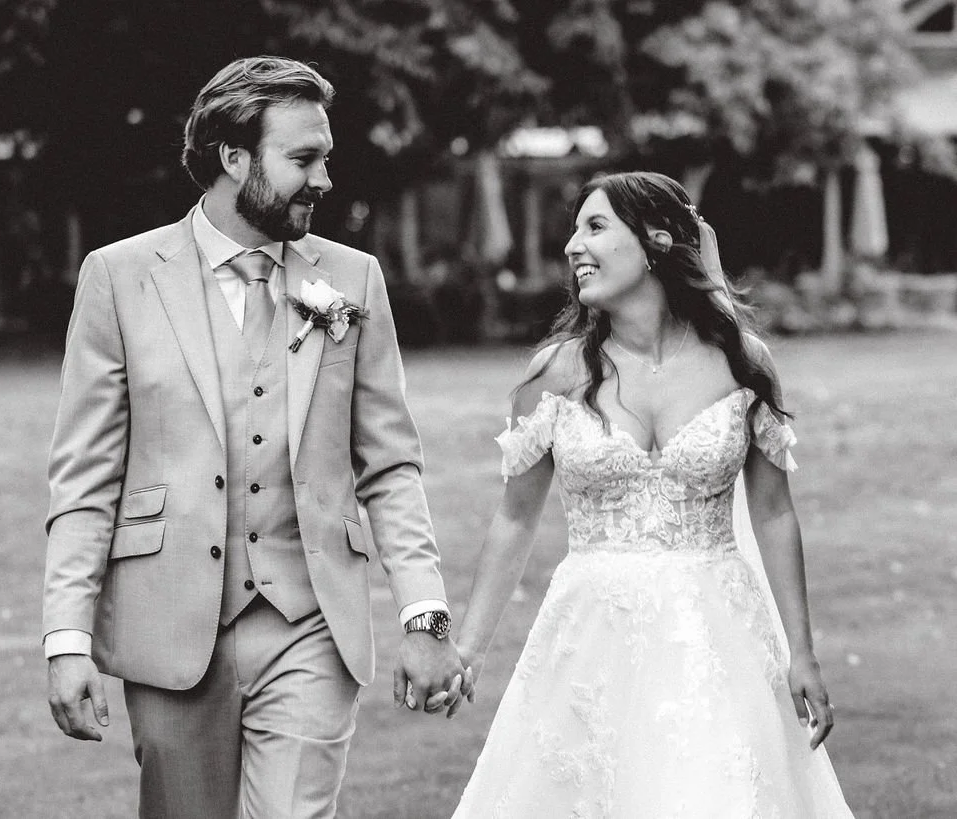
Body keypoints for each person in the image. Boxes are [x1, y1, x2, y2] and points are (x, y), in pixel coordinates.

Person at [42, 56, 469, 819]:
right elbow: (85, 477)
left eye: (325, 158)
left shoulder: (353, 280)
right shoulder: (119, 277)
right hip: (170, 630)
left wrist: (425, 615)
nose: (325, 180)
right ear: (233, 158)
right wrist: (66, 637)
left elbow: (392, 467)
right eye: (303, 159)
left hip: (310, 621)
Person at [449, 172, 855, 816]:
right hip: (591, 635)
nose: (573, 247)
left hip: (718, 635)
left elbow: (774, 514)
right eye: (574, 230)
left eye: (596, 226)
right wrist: (466, 648)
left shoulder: (742, 363)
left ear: (658, 241)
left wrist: (800, 653)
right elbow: (513, 519)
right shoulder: (556, 371)